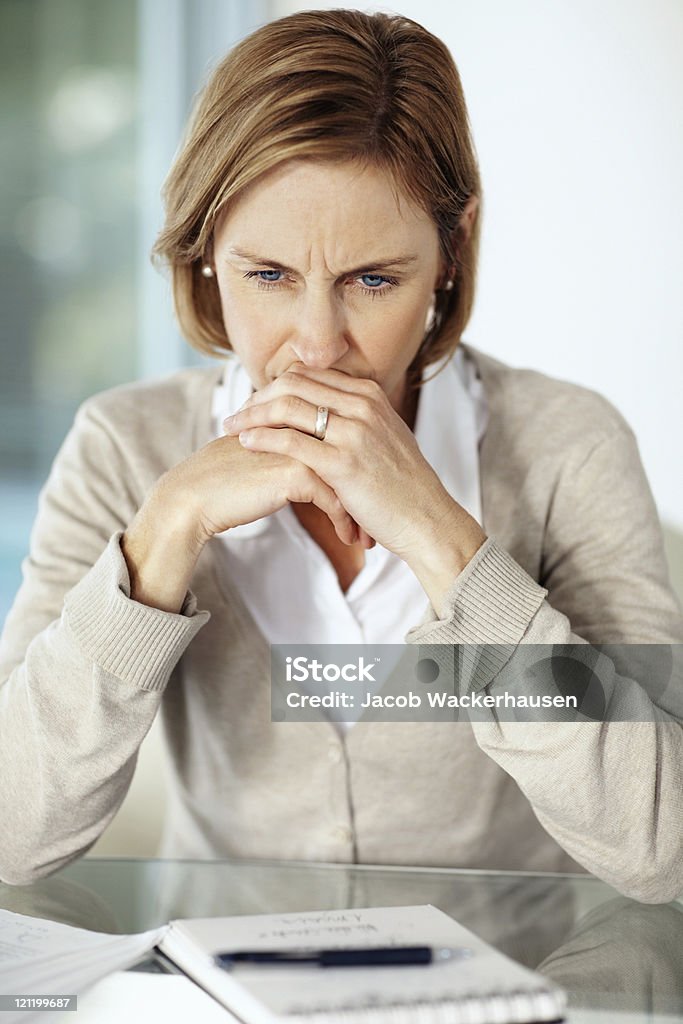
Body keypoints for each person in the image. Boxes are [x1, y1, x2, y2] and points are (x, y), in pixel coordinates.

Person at [0, 9, 681, 902]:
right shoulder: (124, 445)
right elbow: (13, 837)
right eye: (269, 276)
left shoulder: (566, 445)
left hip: (520, 979)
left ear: (450, 250)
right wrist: (162, 535)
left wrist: (447, 545)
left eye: (372, 280)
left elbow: (657, 847)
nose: (316, 347)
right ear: (206, 252)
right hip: (225, 982)